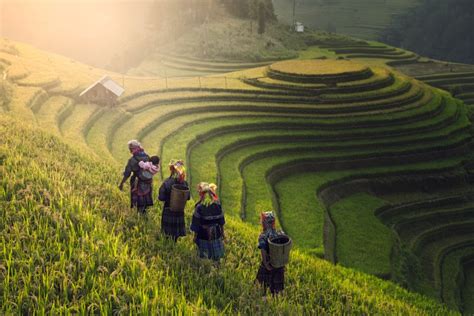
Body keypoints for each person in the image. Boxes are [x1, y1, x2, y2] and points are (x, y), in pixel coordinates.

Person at [190, 182, 225, 262]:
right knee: (216, 257)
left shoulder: (199, 207)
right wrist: (223, 233)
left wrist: (195, 236)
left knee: (204, 256)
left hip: (203, 234)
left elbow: (196, 223)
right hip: (216, 233)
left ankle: (206, 268)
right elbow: (221, 221)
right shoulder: (217, 205)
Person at [119, 140, 154, 215]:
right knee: (145, 204)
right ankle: (144, 216)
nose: (130, 151)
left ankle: (139, 219)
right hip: (148, 183)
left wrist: (121, 183)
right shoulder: (147, 156)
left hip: (137, 183)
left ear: (134, 149)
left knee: (139, 204)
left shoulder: (132, 160)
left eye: (130, 149)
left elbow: (127, 174)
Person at [158, 159, 189, 241]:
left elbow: (161, 197)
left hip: (168, 209)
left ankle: (168, 247)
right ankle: (174, 243)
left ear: (171, 170)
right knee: (175, 234)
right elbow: (188, 197)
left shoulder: (167, 183)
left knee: (167, 233)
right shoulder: (184, 183)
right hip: (179, 211)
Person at [256, 211, 285, 295]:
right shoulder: (280, 233)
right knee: (276, 288)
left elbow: (263, 250)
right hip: (279, 264)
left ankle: (263, 301)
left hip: (268, 263)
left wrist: (265, 263)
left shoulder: (263, 236)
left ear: (265, 223)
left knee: (262, 286)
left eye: (263, 221)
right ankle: (275, 301)